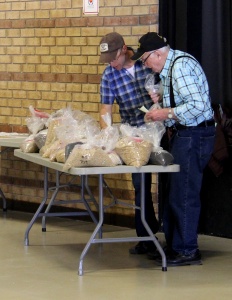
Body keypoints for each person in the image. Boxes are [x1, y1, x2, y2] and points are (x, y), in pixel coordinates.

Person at [131, 32, 215, 266]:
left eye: (145, 59)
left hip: (194, 134)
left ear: (158, 53)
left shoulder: (180, 67)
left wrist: (164, 112)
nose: (145, 64)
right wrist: (160, 100)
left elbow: (198, 106)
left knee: (184, 194)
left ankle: (187, 250)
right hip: (183, 134)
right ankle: (175, 244)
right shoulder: (169, 69)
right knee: (173, 193)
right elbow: (183, 102)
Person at [98, 32, 160, 254]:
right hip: (134, 135)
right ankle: (146, 239)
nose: (111, 64)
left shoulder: (147, 63)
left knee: (171, 180)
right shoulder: (109, 76)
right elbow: (105, 110)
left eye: (113, 58)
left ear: (124, 50)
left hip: (161, 129)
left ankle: (173, 237)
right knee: (140, 185)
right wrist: (109, 136)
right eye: (107, 61)